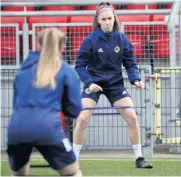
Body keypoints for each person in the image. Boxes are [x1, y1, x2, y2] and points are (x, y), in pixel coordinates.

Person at [73, 2, 153, 169]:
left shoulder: (122, 39)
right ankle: (73, 159)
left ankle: (139, 158)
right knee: (81, 119)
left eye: (110, 18)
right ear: (98, 20)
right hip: (94, 84)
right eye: (104, 19)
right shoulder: (90, 41)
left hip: (115, 84)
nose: (108, 22)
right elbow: (80, 65)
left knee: (132, 117)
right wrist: (89, 83)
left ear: (114, 19)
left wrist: (135, 79)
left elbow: (130, 63)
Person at [7, 28, 83, 176]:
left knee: (18, 174)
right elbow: (74, 109)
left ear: (38, 45)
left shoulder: (22, 70)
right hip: (47, 128)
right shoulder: (67, 71)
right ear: (62, 47)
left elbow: (16, 103)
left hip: (17, 129)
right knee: (73, 173)